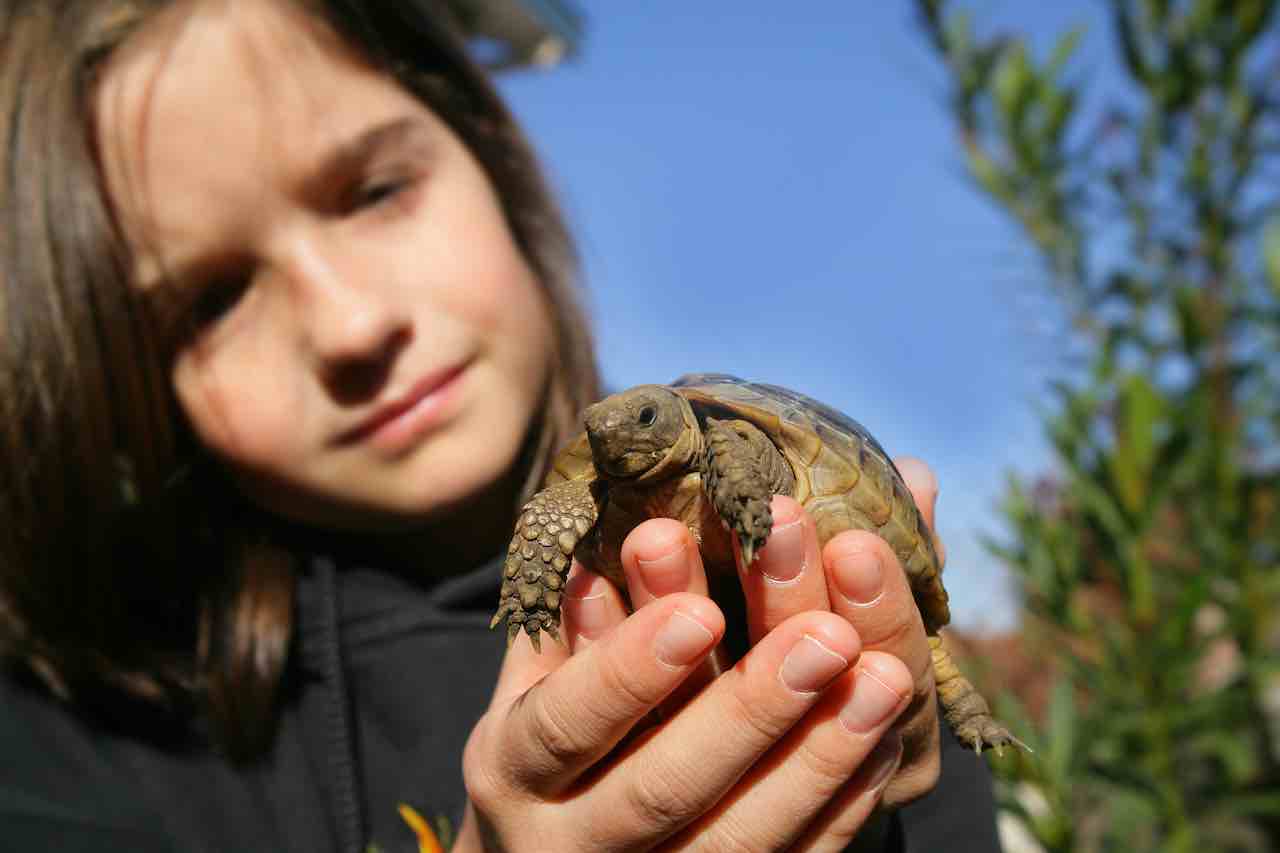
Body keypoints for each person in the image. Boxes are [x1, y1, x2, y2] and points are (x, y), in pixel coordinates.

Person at [0, 1, 1002, 850]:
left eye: (375, 191)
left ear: (490, 155)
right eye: (209, 300)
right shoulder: (83, 747)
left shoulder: (847, 645)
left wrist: (877, 811)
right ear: (116, 374)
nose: (350, 325)